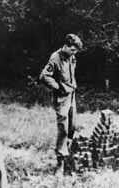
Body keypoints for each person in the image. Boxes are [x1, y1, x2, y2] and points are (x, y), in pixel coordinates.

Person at [40, 33, 83, 175]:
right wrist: (58, 87)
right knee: (63, 129)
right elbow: (44, 76)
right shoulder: (55, 58)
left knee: (72, 127)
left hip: (71, 96)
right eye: (72, 50)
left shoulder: (72, 57)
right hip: (61, 99)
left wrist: (70, 87)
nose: (74, 53)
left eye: (76, 51)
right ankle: (60, 163)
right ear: (65, 46)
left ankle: (69, 158)